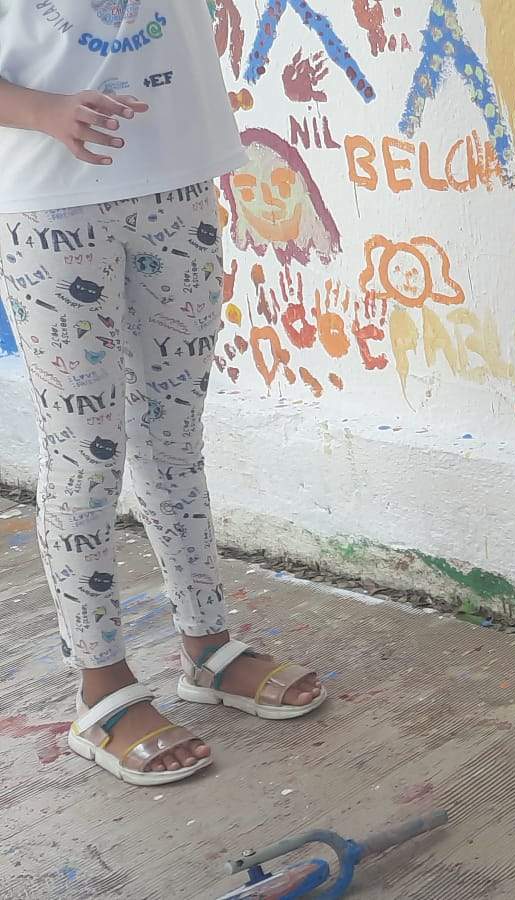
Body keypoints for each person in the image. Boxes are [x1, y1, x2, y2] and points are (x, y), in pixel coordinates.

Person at [0, 0, 324, 787]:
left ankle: (206, 648)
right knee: (86, 454)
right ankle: (101, 688)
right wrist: (43, 109)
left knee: (175, 437)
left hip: (177, 186)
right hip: (51, 206)